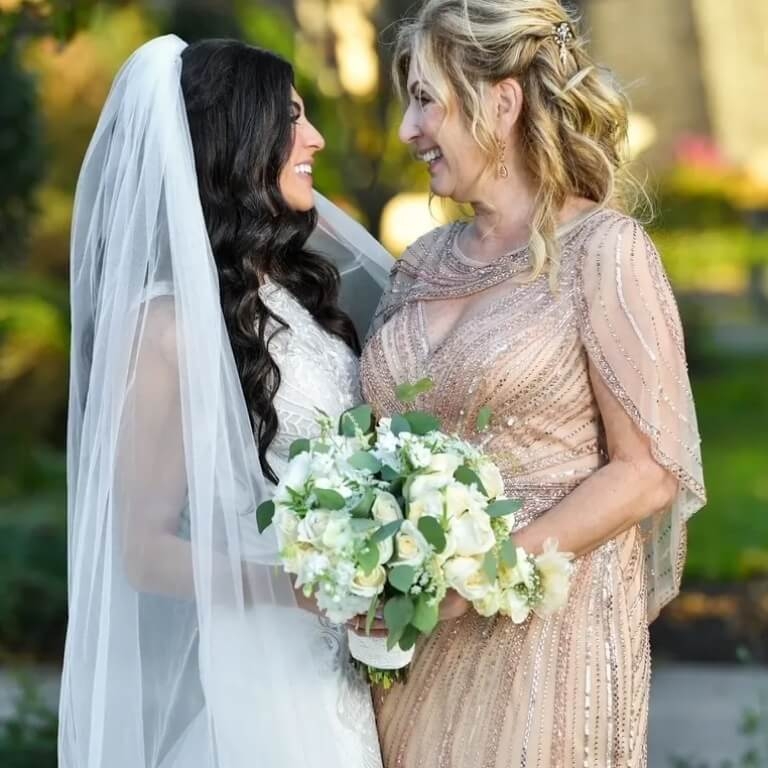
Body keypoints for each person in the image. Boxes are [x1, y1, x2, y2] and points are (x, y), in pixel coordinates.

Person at [360, 1, 706, 764]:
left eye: (425, 100)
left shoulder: (603, 251)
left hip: (549, 644)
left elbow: (647, 472)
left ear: (502, 101)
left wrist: (476, 579)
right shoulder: (420, 263)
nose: (408, 132)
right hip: (406, 657)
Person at [60, 35, 389, 767]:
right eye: (292, 119)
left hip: (358, 647)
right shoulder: (165, 325)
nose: (316, 139)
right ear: (240, 142)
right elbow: (143, 553)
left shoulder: (295, 290)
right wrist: (297, 588)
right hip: (271, 663)